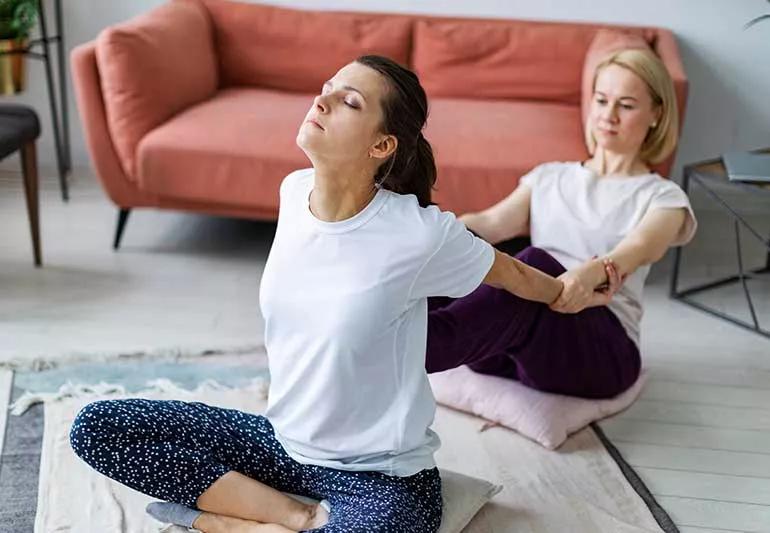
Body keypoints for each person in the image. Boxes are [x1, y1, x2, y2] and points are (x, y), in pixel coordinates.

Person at [68, 55, 614, 533]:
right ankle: (289, 517)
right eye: (327, 87)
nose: (322, 99)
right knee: (95, 428)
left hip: (381, 477)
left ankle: (224, 520)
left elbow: (510, 275)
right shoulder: (292, 191)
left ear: (382, 145)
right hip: (280, 443)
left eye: (347, 100)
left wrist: (564, 289)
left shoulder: (418, 232)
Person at [425, 48, 697, 400]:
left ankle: (421, 348)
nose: (608, 116)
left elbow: (635, 250)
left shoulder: (663, 198)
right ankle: (393, 326)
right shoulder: (550, 177)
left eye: (626, 106)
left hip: (601, 356)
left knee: (532, 262)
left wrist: (587, 275)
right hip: (513, 349)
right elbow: (491, 222)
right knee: (456, 244)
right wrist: (432, 234)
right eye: (601, 100)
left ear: (656, 114)